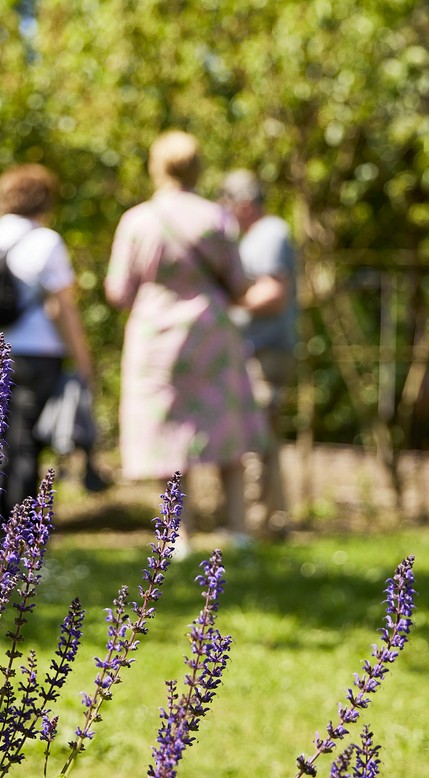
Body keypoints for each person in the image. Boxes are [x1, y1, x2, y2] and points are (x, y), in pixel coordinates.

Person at [105, 130, 267, 552]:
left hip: (156, 335)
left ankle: (177, 538)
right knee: (226, 428)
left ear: (155, 167)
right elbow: (238, 284)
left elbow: (119, 292)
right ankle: (238, 531)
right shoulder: (217, 218)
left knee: (167, 434)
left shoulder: (138, 220)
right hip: (211, 332)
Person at [0, 163, 95, 519]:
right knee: (26, 445)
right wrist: (83, 359)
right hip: (37, 356)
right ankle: (19, 537)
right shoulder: (46, 241)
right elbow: (61, 306)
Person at [220, 169, 298, 537]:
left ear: (245, 203)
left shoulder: (269, 234)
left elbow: (272, 293)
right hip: (259, 350)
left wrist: (228, 307)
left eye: (227, 203)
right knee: (263, 437)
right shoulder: (259, 235)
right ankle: (273, 521)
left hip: (265, 352)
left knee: (256, 437)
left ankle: (255, 524)